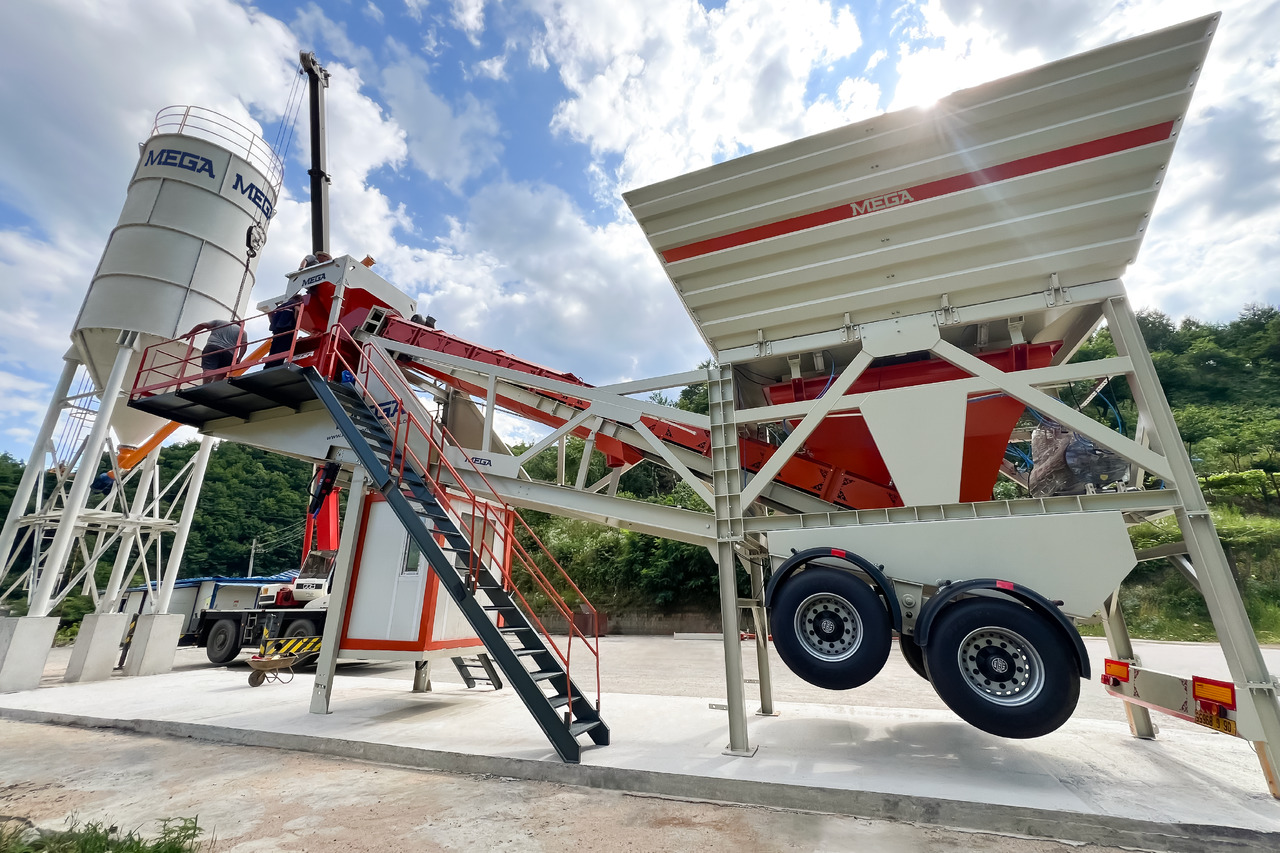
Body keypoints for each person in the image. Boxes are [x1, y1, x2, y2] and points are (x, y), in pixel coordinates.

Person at [187, 318, 245, 383]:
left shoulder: (219, 322)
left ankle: (206, 386)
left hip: (212, 347)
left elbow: (202, 325)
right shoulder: (242, 331)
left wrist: (189, 334)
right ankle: (214, 386)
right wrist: (239, 358)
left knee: (208, 371)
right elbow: (244, 345)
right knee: (222, 373)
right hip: (229, 353)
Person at [266, 291, 306, 366]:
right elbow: (298, 309)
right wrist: (296, 321)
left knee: (274, 349)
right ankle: (278, 364)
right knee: (283, 348)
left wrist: (273, 323)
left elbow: (270, 314)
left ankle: (268, 366)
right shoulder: (296, 303)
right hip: (287, 328)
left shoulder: (282, 306)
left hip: (276, 330)